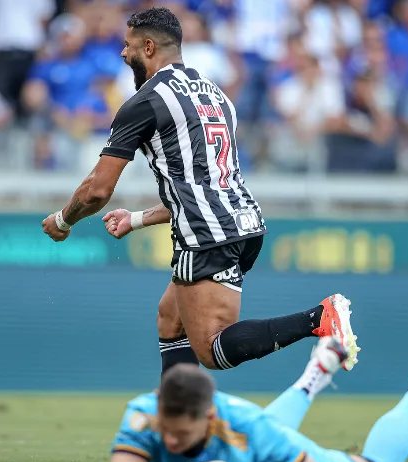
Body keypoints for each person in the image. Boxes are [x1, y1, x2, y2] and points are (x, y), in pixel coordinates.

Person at [41, 7, 358, 375]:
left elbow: (97, 190)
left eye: (127, 46)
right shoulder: (217, 96)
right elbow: (200, 185)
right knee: (170, 320)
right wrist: (137, 219)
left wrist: (64, 221)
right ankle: (179, 420)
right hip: (240, 221)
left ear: (147, 47)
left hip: (207, 235)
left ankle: (319, 318)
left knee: (211, 349)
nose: (122, 54)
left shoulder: (146, 102)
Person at [106, 336, 408, 462]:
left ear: (207, 419)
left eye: (180, 435)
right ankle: (317, 372)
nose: (169, 440)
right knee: (260, 440)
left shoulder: (249, 428)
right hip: (256, 444)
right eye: (165, 430)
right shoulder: (143, 414)